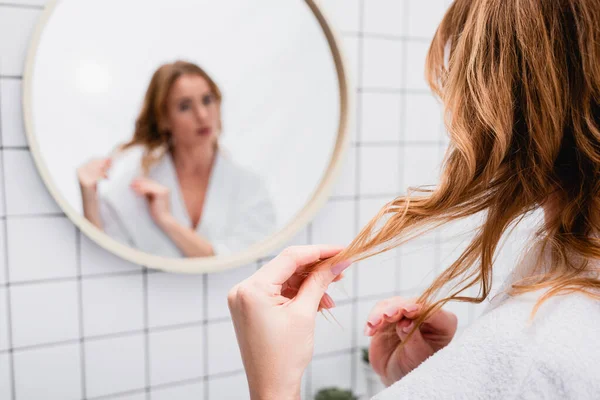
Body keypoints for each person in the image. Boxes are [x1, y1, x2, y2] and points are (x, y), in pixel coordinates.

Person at [227, 0, 600, 398]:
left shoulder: (531, 352)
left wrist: (273, 383)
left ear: (508, 104)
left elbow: (529, 374)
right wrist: (440, 376)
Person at [77, 61, 276, 258]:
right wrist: (90, 198)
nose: (202, 115)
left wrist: (166, 220)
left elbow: (247, 261)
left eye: (207, 100)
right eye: (185, 106)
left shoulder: (249, 187)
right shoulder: (136, 189)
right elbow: (106, 261)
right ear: (163, 119)